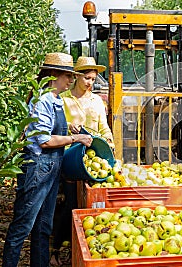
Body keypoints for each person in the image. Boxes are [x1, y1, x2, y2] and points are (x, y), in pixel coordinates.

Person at [2, 53, 93, 267]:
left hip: (52, 166)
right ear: (53, 75)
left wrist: (68, 128)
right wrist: (75, 138)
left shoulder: (55, 100)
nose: (71, 81)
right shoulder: (42, 100)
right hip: (38, 167)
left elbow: (51, 128)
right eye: (67, 76)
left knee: (43, 226)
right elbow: (43, 140)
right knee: (23, 225)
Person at [50, 56, 114, 266]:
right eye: (86, 78)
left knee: (91, 204)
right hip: (70, 157)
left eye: (93, 80)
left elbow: (103, 127)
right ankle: (56, 248)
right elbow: (56, 126)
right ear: (76, 76)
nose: (90, 83)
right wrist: (70, 126)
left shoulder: (96, 101)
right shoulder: (64, 99)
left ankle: (85, 247)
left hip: (93, 157)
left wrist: (110, 139)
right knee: (70, 204)